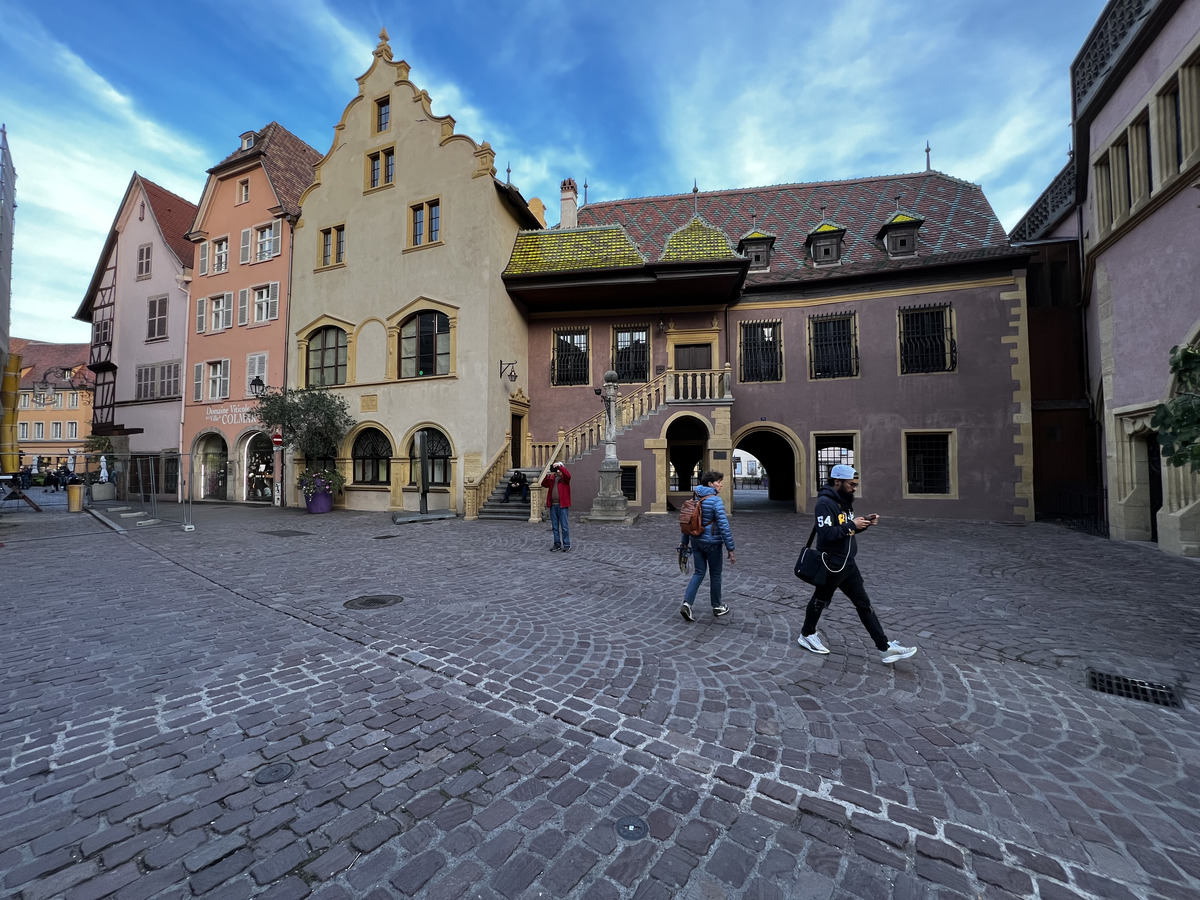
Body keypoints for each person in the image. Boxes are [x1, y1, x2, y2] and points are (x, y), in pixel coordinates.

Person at [796, 464, 917, 664]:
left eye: (855, 484)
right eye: (851, 484)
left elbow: (846, 530)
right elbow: (826, 533)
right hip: (832, 563)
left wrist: (863, 524)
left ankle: (884, 648)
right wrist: (852, 525)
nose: (854, 488)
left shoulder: (844, 501)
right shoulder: (825, 503)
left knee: (863, 604)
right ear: (837, 482)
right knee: (820, 600)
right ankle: (807, 635)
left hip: (848, 563)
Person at [679, 470, 737, 622]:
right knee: (716, 575)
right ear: (710, 484)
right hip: (712, 544)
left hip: (696, 541)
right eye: (719, 482)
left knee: (699, 573)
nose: (721, 485)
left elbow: (688, 522)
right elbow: (724, 526)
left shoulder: (695, 497)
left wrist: (684, 541)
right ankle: (717, 606)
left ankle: (687, 603)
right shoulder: (715, 501)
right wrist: (730, 549)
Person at [541, 462, 572, 551]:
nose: (557, 471)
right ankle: (557, 544)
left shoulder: (565, 479)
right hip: (553, 506)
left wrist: (559, 466)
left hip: (562, 506)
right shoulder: (552, 478)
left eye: (559, 469)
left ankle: (567, 544)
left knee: (564, 526)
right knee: (555, 527)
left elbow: (568, 475)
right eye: (556, 469)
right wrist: (547, 476)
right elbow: (544, 485)